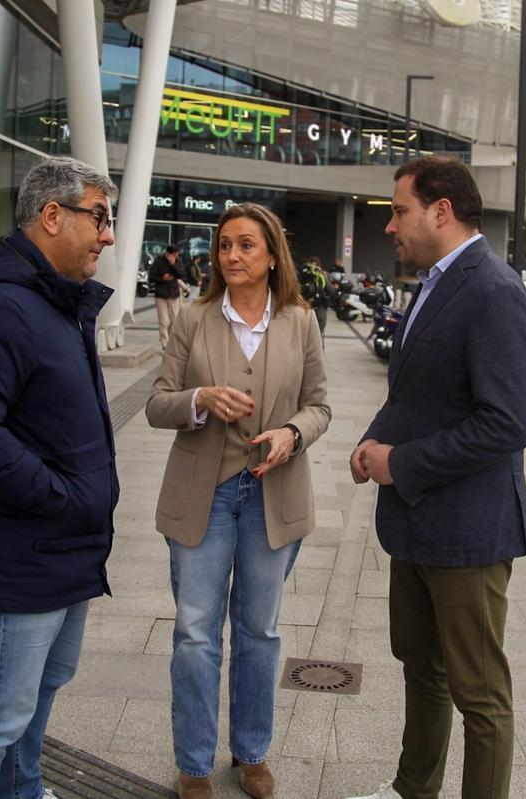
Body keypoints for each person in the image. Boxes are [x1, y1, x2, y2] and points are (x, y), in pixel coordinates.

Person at [345, 157, 526, 799]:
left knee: (479, 694)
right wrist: (376, 435)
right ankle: (413, 789)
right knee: (421, 670)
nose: (391, 225)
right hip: (418, 525)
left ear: (441, 211)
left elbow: (506, 424)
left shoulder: (494, 290)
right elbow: (413, 393)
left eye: (400, 211)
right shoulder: (434, 282)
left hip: (469, 533)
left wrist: (400, 463)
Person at [0, 156, 120, 799]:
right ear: (51, 216)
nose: (109, 235)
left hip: (65, 548)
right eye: (99, 217)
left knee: (37, 700)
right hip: (25, 551)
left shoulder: (52, 301)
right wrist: (61, 498)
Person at [145, 202, 331, 799]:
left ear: (273, 255)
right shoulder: (194, 320)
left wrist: (291, 434)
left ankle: (251, 754)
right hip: (204, 494)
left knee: (260, 631)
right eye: (225, 245)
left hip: (273, 497)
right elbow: (156, 403)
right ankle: (194, 763)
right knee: (196, 633)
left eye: (246, 245)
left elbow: (321, 406)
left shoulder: (300, 321)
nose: (232, 256)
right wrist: (199, 399)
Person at [151, 244, 187, 348]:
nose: (177, 255)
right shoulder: (158, 261)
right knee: (163, 321)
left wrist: (172, 264)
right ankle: (164, 344)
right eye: (176, 254)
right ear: (170, 253)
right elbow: (151, 277)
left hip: (173, 294)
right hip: (161, 294)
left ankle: (175, 343)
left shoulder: (177, 261)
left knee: (175, 319)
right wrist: (162, 279)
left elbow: (181, 274)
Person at [299, 256, 334, 344]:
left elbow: (331, 290)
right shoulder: (304, 276)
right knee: (315, 335)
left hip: (311, 306)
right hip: (311, 306)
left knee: (311, 335)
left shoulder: (320, 275)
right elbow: (331, 290)